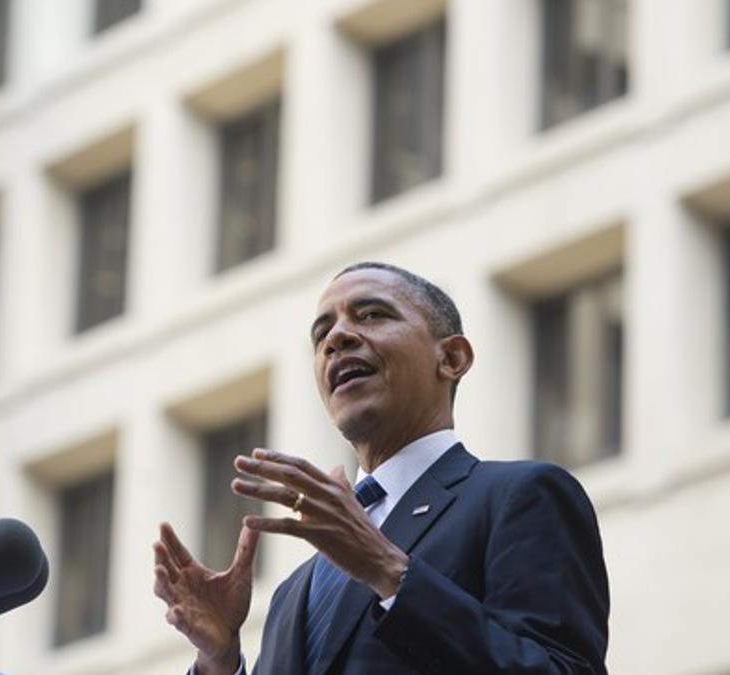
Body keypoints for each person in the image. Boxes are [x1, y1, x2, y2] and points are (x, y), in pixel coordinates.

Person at [152, 262, 610, 674]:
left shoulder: (521, 495)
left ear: (451, 358)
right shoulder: (294, 592)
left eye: (371, 315)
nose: (337, 338)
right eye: (321, 334)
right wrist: (219, 661)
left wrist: (389, 572)